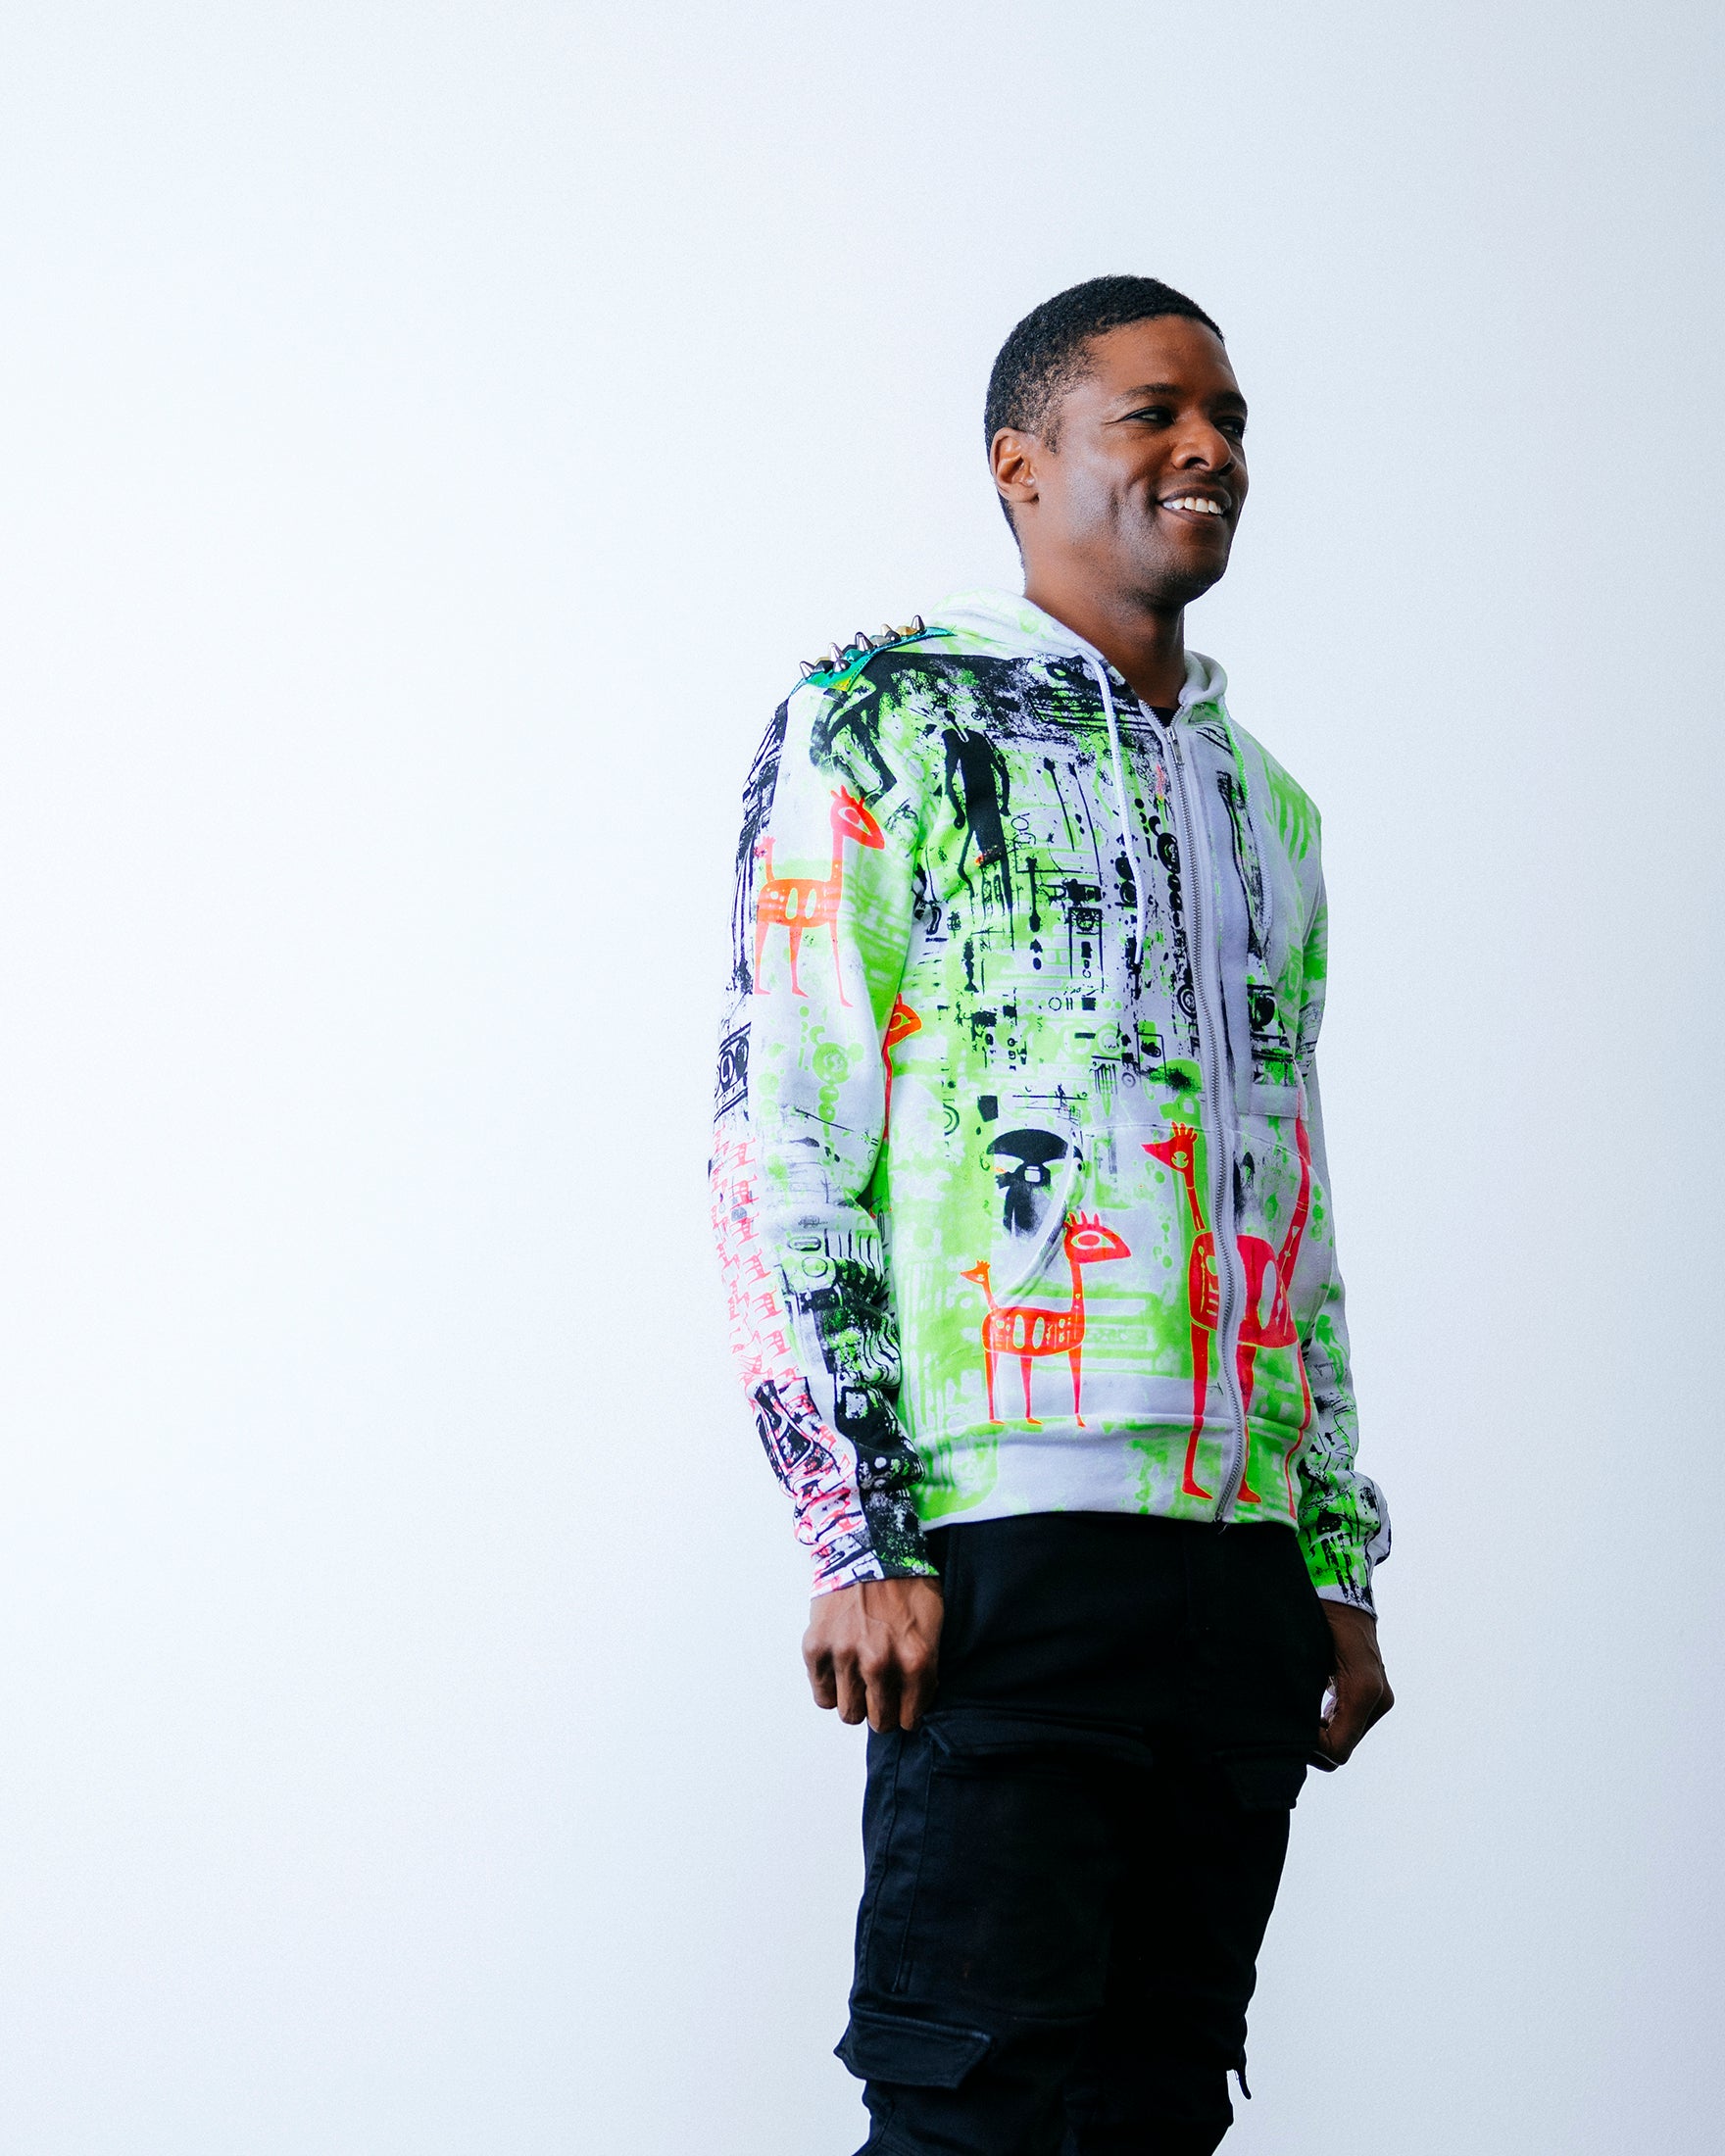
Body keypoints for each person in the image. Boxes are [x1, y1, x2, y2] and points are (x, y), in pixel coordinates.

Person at [710, 274, 1393, 2156]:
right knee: (974, 2117)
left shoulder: (1268, 806)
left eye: (1230, 418)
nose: (1210, 449)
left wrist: (1333, 1558)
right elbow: (783, 1141)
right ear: (1021, 466)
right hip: (1001, 1559)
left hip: (1239, 1571)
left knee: (1160, 2114)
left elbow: (1292, 1194)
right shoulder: (884, 720)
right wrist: (855, 1529)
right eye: (1155, 412)